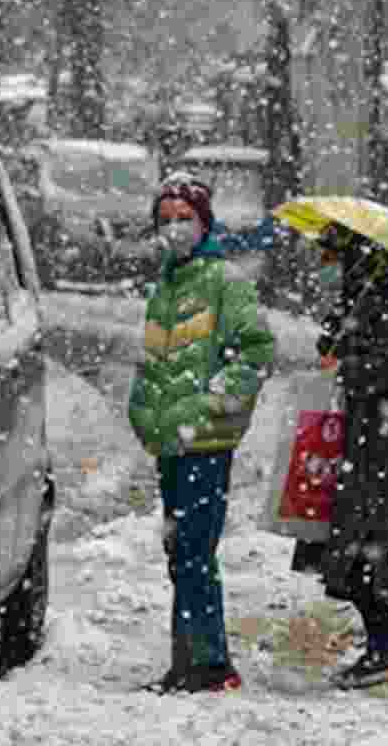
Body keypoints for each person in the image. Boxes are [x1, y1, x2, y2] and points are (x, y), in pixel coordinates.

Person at [128, 172, 276, 694]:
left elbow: (256, 353)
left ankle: (209, 664)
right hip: (172, 439)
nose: (175, 229)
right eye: (165, 220)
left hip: (206, 440)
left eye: (185, 218)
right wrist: (144, 410)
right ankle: (189, 661)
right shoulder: (166, 283)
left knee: (194, 550)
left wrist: (211, 401)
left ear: (205, 223)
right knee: (181, 552)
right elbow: (155, 359)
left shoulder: (225, 281)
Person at [292, 223, 388, 690]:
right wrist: (335, 339)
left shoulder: (382, 306)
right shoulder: (360, 301)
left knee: (364, 543)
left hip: (375, 449)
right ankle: (383, 645)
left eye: (332, 255)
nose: (326, 264)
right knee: (351, 544)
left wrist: (345, 365)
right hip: (359, 441)